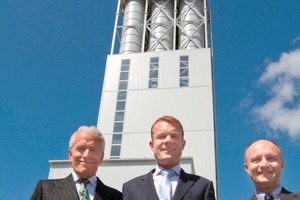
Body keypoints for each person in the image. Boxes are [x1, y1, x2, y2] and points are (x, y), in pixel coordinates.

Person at [122, 115, 216, 200]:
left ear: (182, 144)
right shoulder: (131, 188)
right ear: (152, 145)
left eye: (174, 136)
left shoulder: (203, 186)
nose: (168, 140)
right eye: (161, 136)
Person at [31, 126, 122, 200]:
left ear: (101, 157)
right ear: (70, 154)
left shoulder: (117, 197)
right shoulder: (45, 189)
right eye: (80, 148)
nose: (86, 155)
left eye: (93, 149)